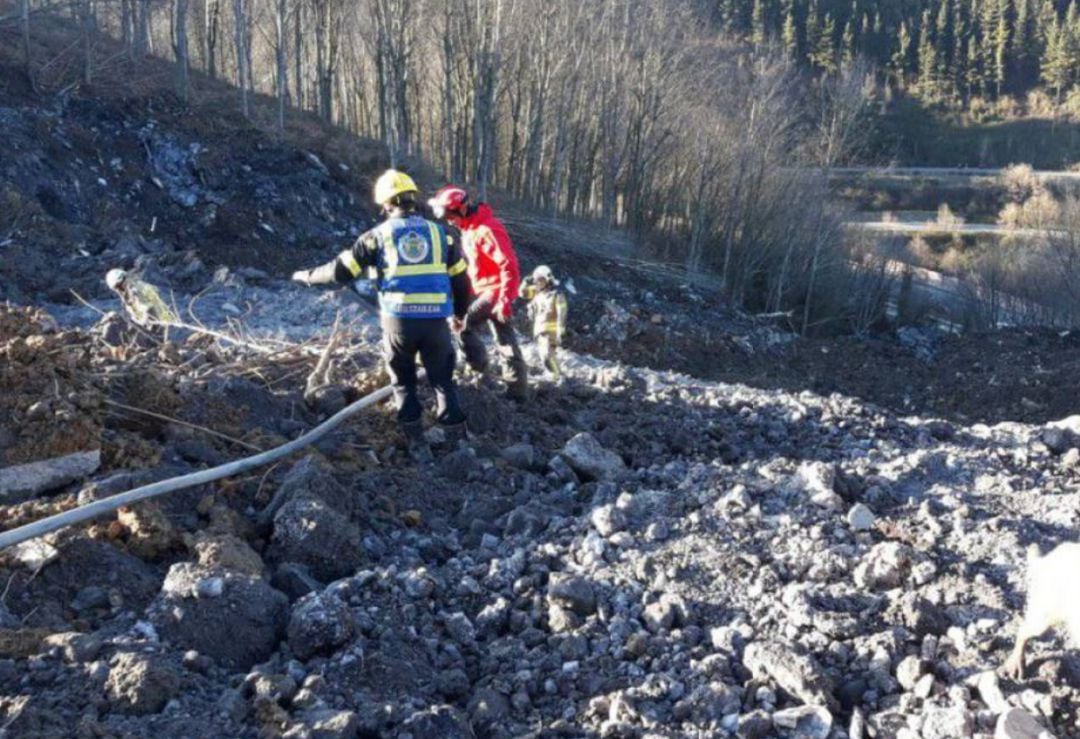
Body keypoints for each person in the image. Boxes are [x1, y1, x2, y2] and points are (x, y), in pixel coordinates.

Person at [292, 169, 471, 462]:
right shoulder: (442, 236)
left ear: (386, 204)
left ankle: (417, 444)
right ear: (413, 200)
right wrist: (460, 315)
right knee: (443, 381)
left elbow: (340, 272)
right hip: (436, 323)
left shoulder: (376, 237)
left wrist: (307, 276)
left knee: (404, 383)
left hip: (398, 323)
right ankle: (458, 444)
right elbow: (461, 282)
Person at [428, 185, 528, 401]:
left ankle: (478, 372)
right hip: (489, 292)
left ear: (461, 210)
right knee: (506, 340)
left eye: (450, 216)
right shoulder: (470, 230)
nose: (449, 221)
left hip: (496, 292)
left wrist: (504, 300)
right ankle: (517, 391)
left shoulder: (487, 230)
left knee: (461, 324)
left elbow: (509, 265)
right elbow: (478, 269)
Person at [521, 265, 568, 380]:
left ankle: (557, 376)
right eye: (536, 279)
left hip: (550, 330)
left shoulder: (557, 295)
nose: (537, 282)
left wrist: (560, 329)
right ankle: (555, 375)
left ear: (547, 280)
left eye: (539, 279)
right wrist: (524, 283)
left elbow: (562, 312)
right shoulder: (537, 293)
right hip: (539, 330)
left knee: (547, 354)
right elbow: (522, 293)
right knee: (543, 356)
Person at [105, 269, 178, 327]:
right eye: (117, 287)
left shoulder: (137, 290)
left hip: (164, 325)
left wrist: (139, 325)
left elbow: (149, 310)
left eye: (120, 284)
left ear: (126, 278)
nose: (120, 288)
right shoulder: (131, 292)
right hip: (162, 324)